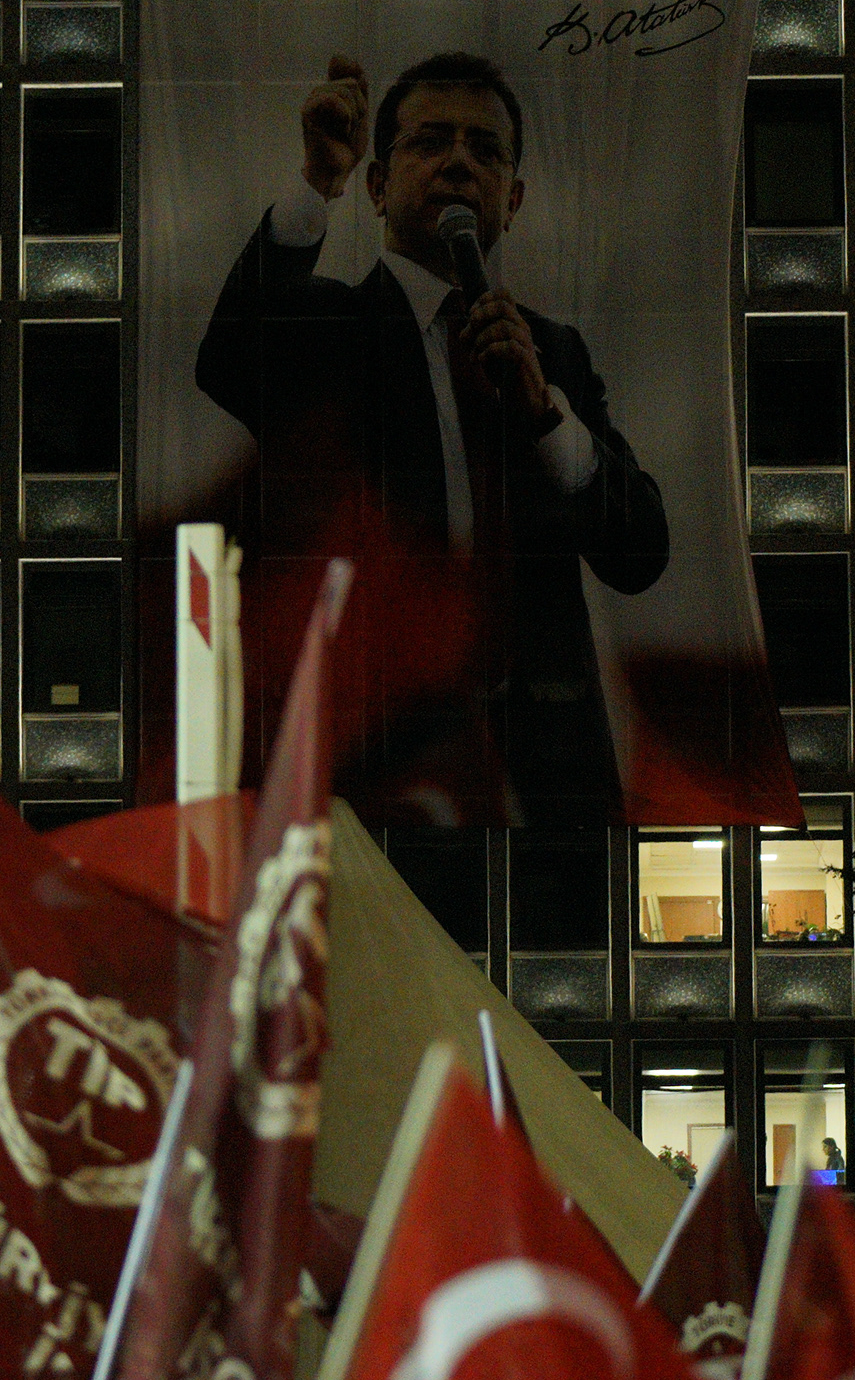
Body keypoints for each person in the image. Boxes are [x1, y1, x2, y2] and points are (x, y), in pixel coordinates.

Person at [192, 53, 666, 821]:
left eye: (485, 150)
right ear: (378, 185)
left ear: (510, 201)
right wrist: (316, 180)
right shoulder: (327, 327)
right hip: (373, 764)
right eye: (429, 142)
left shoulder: (554, 354)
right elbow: (228, 358)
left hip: (543, 776)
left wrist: (547, 412)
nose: (456, 162)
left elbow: (640, 553)